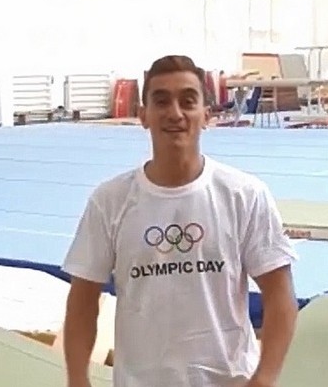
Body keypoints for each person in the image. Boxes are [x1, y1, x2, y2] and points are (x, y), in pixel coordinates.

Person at [62, 55, 299, 387]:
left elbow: (280, 295)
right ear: (143, 116)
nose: (175, 113)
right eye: (161, 101)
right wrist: (77, 379)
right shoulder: (110, 201)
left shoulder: (244, 195)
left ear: (206, 115)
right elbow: (82, 302)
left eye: (188, 101)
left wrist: (265, 378)